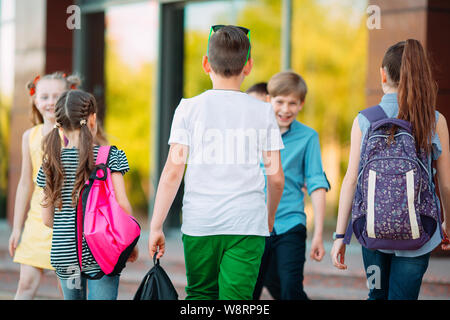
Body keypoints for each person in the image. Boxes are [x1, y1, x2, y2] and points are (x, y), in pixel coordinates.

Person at [148, 25, 285, 300]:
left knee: (199, 295)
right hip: (247, 224)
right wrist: (268, 218)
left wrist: (155, 225)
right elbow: (276, 177)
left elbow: (173, 172)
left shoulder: (188, 108)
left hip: (201, 223)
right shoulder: (263, 112)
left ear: (205, 64)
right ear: (248, 66)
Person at [331, 39, 450, 300]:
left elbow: (351, 180)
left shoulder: (364, 119)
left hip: (371, 231)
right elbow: (447, 184)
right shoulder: (434, 119)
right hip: (419, 236)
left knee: (376, 295)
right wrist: (447, 223)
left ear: (382, 73)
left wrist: (341, 235)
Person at [37, 89, 138, 300]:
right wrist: (130, 244)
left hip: (66, 257)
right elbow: (122, 206)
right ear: (92, 119)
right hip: (103, 253)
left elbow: (47, 220)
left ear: (60, 124)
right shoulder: (109, 156)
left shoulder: (50, 164)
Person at [253, 71, 330, 300]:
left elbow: (317, 183)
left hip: (290, 224)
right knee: (249, 292)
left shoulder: (308, 137)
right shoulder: (253, 134)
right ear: (269, 100)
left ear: (301, 104)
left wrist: (318, 234)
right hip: (254, 226)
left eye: (292, 103)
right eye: (280, 102)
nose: (285, 109)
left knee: (291, 290)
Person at [8, 72, 80, 299]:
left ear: (68, 97)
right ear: (35, 100)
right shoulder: (29, 136)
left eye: (57, 96)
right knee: (26, 283)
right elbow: (24, 185)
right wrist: (17, 227)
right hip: (37, 221)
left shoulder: (75, 134)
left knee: (68, 289)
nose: (50, 102)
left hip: (67, 221)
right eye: (45, 96)